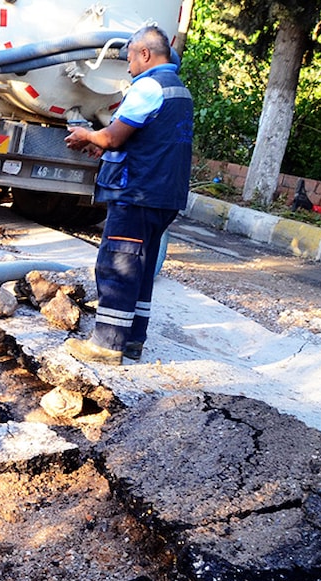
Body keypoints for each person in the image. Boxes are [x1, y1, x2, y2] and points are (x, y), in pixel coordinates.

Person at [62, 24, 193, 365]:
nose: (128, 65)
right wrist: (101, 144)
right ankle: (133, 340)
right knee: (141, 267)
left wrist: (89, 137)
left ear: (145, 54)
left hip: (136, 193)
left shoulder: (148, 85)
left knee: (118, 263)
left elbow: (116, 137)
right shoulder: (178, 89)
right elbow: (150, 140)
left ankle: (106, 345)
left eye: (130, 57)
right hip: (164, 195)